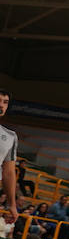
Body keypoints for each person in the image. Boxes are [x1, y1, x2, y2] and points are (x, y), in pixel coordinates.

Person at [0, 90, 19, 226]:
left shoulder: (10, 136)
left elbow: (9, 172)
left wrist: (12, 204)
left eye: (5, 102)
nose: (1, 105)